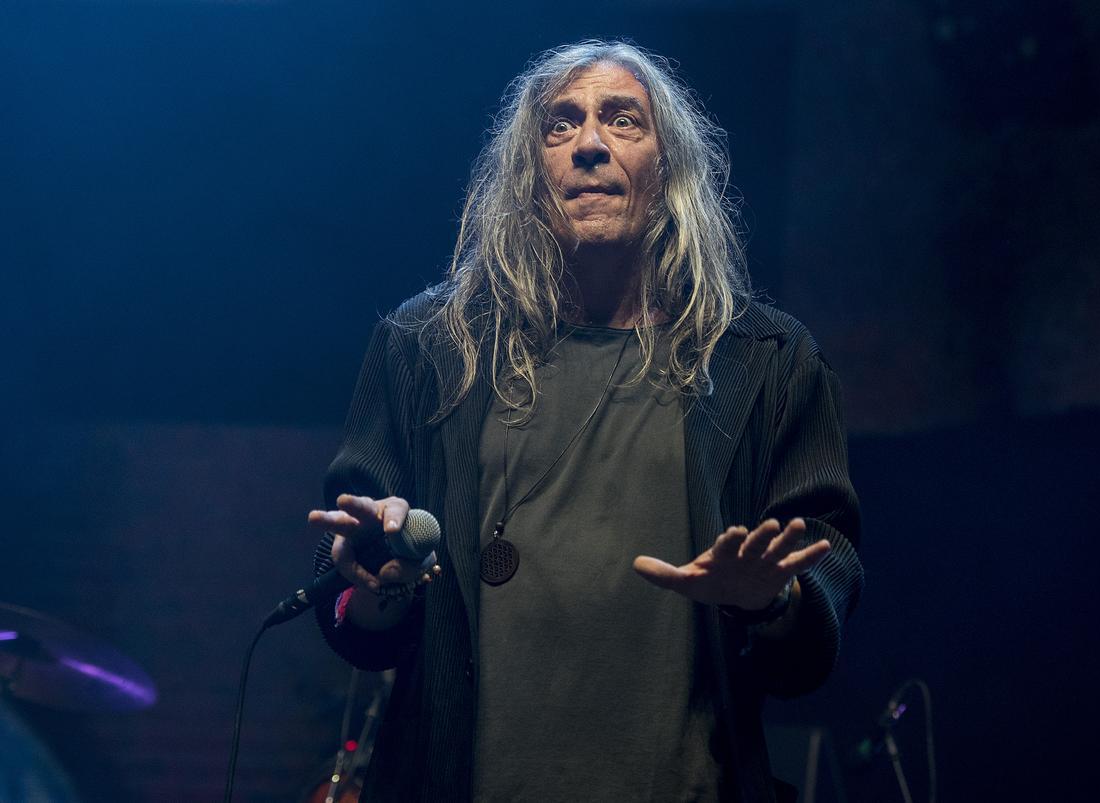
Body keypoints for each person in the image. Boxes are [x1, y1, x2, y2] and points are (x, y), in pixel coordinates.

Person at [306, 40, 863, 803]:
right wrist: (377, 580)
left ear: (667, 168)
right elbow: (354, 608)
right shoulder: (429, 347)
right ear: (528, 172)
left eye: (622, 121)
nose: (590, 144)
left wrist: (772, 599)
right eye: (560, 125)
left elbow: (819, 598)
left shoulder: (763, 360)